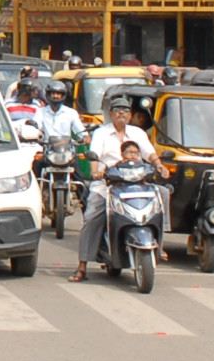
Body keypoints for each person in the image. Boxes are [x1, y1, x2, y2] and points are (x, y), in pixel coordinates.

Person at [68, 92, 158, 282]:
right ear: (111, 113)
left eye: (125, 110)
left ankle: (160, 246)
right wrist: (95, 172)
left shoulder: (137, 133)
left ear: (130, 114)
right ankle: (82, 266)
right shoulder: (101, 132)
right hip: (107, 184)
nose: (121, 114)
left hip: (135, 183)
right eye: (117, 110)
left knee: (161, 197)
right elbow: (94, 154)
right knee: (92, 217)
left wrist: (160, 165)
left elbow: (150, 153)